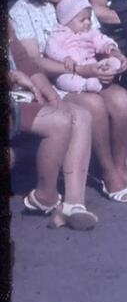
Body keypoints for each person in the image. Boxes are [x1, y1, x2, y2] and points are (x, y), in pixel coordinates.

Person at [10, 0, 127, 203]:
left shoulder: (75, 0)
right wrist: (82, 70)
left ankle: (120, 165)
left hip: (88, 74)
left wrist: (114, 54)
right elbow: (33, 61)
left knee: (122, 101)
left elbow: (94, 36)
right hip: (53, 84)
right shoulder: (23, 11)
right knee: (93, 105)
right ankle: (107, 173)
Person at [9, 23, 98, 229]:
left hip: (16, 98)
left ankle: (73, 206)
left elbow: (24, 62)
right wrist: (11, 77)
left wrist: (51, 95)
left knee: (80, 115)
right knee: (58, 121)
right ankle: (45, 196)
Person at [45, 0, 124, 93]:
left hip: (90, 63)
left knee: (101, 65)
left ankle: (108, 67)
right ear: (67, 21)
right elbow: (51, 48)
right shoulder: (59, 34)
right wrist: (65, 57)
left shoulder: (89, 32)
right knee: (64, 80)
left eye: (89, 18)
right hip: (71, 69)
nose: (87, 22)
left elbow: (101, 39)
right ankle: (85, 85)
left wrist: (109, 46)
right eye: (82, 20)